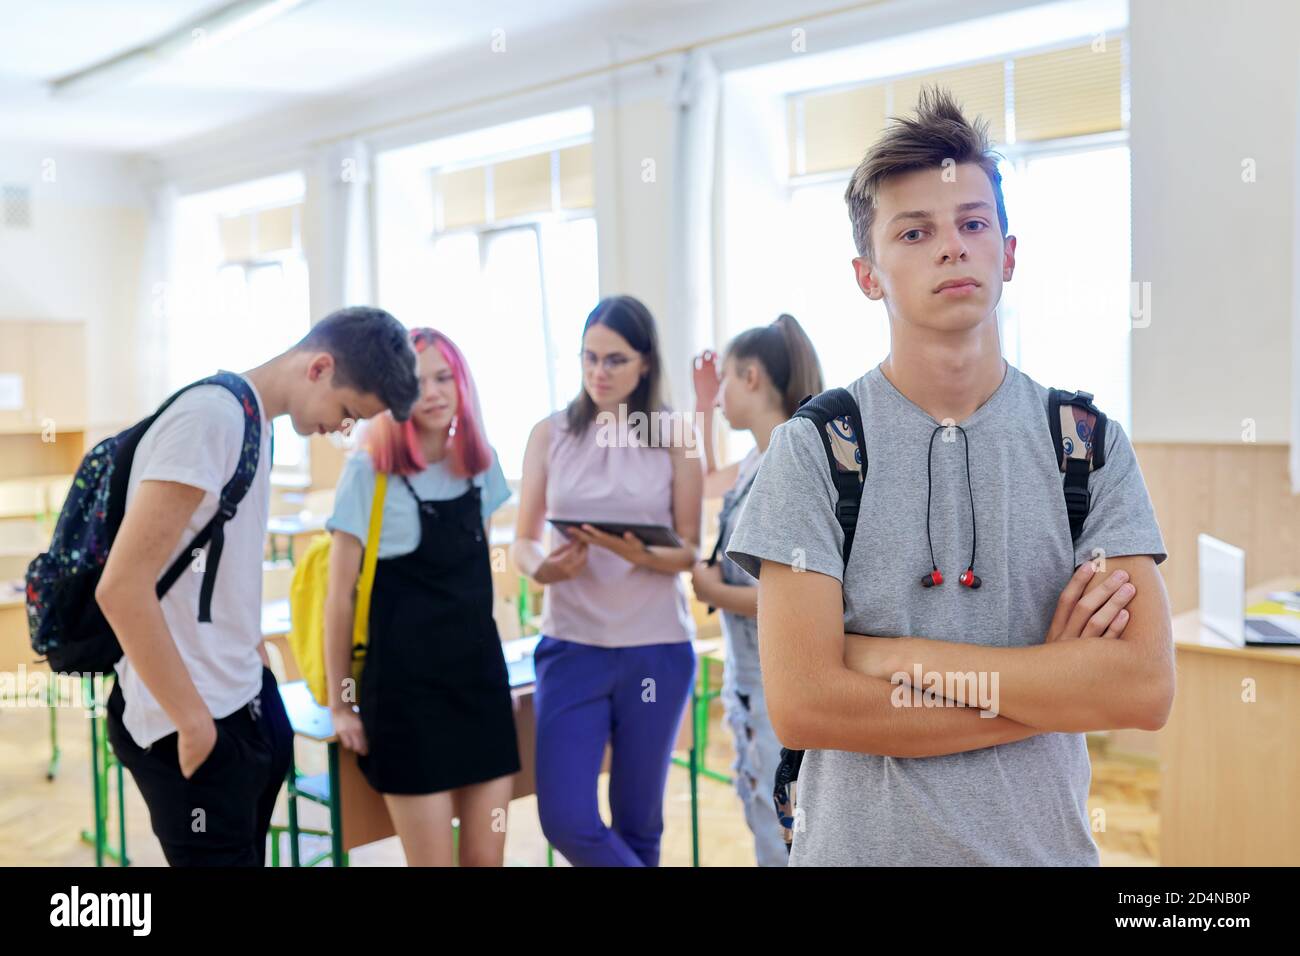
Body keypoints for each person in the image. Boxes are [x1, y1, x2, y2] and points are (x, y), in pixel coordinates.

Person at [726, 87, 1175, 866]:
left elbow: (1141, 690)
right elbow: (805, 706)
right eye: (915, 231)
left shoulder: (1086, 443)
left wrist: (897, 660)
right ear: (868, 273)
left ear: (1008, 251)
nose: (952, 247)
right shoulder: (814, 450)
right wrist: (1052, 689)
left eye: (973, 223)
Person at [99, 306, 419, 866]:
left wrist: (258, 677)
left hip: (241, 702)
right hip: (189, 720)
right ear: (319, 367)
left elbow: (223, 574)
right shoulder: (210, 418)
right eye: (348, 412)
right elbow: (122, 589)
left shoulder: (254, 422)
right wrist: (194, 723)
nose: (344, 430)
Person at [512, 295, 702, 867]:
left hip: (655, 651)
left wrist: (637, 553)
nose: (598, 372)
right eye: (588, 357)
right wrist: (539, 568)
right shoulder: (550, 434)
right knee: (566, 819)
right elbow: (523, 540)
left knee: (640, 823)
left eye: (614, 360)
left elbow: (691, 550)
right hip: (573, 648)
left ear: (645, 362)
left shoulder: (675, 435)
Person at [324, 327, 520, 867]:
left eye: (444, 377)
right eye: (417, 381)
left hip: (480, 691)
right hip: (406, 704)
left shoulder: (482, 467)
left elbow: (483, 588)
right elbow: (338, 599)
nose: (432, 391)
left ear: (462, 384)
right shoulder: (368, 471)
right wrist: (342, 703)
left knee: (487, 860)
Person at [689, 314, 823, 866]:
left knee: (783, 836)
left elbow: (786, 599)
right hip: (750, 683)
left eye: (723, 381)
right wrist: (701, 410)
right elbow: (703, 483)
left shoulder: (786, 463)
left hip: (778, 687)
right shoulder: (753, 460)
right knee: (763, 821)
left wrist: (712, 591)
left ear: (750, 379)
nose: (718, 395)